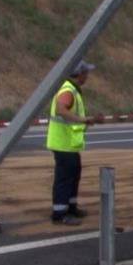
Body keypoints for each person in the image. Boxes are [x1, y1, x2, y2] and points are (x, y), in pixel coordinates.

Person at [46, 60, 98, 225]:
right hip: (63, 144)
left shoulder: (72, 89)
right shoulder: (68, 90)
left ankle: (71, 207)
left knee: (74, 174)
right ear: (79, 74)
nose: (87, 76)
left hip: (69, 144)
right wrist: (82, 119)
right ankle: (59, 213)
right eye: (86, 72)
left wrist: (84, 121)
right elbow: (61, 109)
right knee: (65, 178)